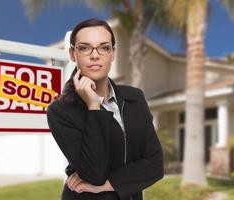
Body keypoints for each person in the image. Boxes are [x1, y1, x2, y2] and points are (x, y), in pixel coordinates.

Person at [47, 18, 164, 200]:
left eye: (104, 47)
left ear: (113, 53)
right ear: (72, 54)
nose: (95, 55)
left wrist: (107, 185)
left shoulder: (135, 98)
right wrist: (94, 107)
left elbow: (155, 164)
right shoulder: (60, 111)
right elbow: (94, 173)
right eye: (85, 48)